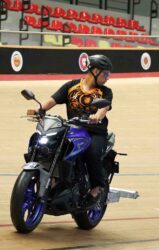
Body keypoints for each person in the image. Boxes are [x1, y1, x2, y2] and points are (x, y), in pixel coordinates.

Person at [27, 54, 113, 206]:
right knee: (49, 145)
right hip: (73, 129)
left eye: (109, 74)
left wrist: (97, 116)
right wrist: (38, 109)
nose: (107, 77)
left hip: (95, 132)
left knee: (92, 153)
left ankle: (96, 189)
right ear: (94, 70)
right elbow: (52, 100)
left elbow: (104, 108)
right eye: (105, 73)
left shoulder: (105, 92)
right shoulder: (71, 86)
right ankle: (54, 180)